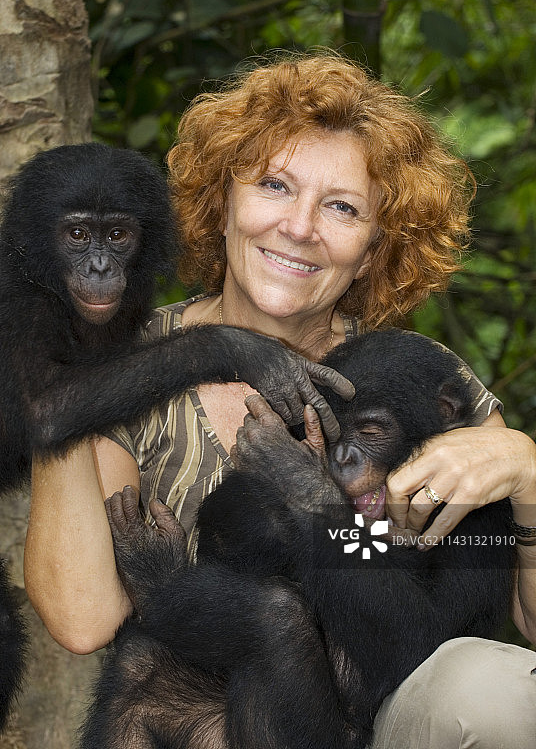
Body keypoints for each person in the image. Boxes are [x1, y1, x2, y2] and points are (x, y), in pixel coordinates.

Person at [25, 51, 536, 747]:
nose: (300, 226)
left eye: (342, 207)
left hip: (381, 715)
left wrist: (529, 476)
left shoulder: (425, 381)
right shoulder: (133, 360)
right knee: (156, 662)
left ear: (376, 243)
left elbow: (484, 631)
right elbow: (86, 620)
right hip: (213, 706)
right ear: (223, 199)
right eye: (273, 184)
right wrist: (73, 373)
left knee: (490, 688)